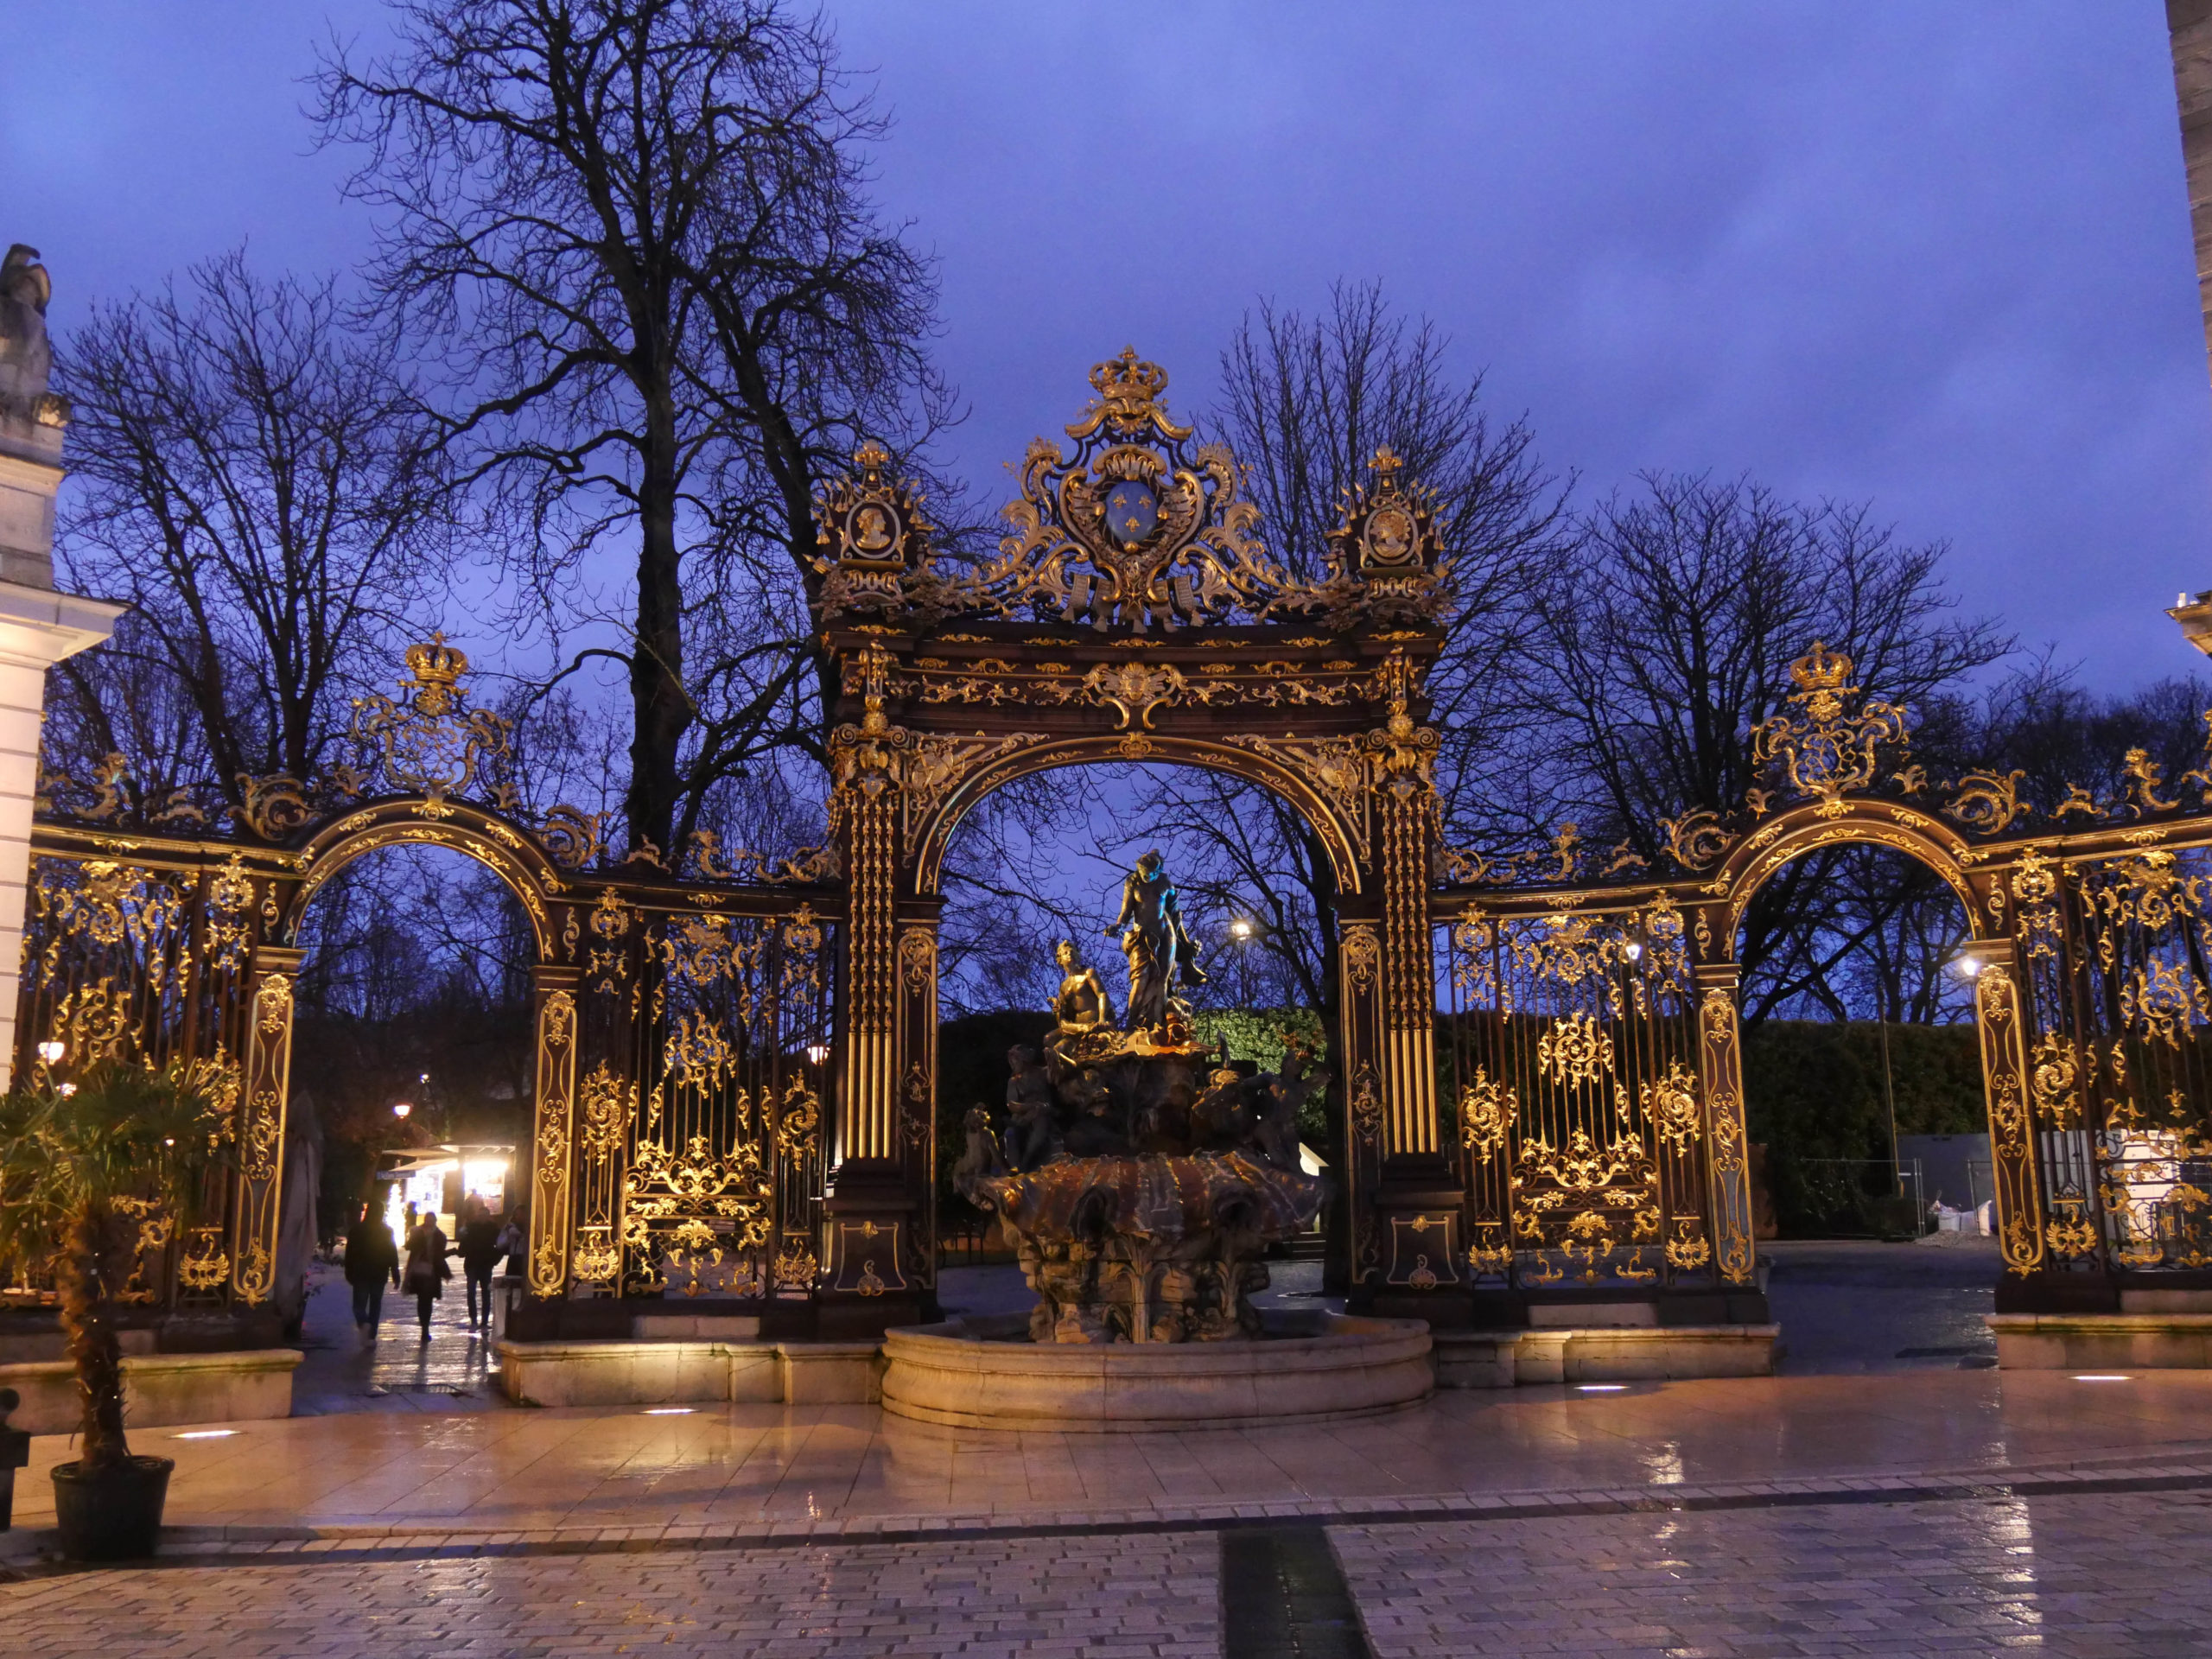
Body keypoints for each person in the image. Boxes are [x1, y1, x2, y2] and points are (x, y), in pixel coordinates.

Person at [343, 1203, 400, 1338]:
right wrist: (395, 1273)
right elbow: (392, 1253)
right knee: (375, 1304)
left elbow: (350, 1253)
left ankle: (364, 1324)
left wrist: (349, 1270)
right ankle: (371, 1334)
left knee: (359, 1306)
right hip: (379, 1273)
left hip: (361, 1273)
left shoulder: (357, 1230)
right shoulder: (386, 1231)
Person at [402, 1211, 451, 1341]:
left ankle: (425, 1328)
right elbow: (408, 1247)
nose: (429, 1222)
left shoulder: (440, 1236)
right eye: (427, 1220)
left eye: (431, 1220)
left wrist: (446, 1269)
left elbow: (440, 1254)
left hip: (432, 1272)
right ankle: (424, 1326)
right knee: (422, 1299)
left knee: (427, 1300)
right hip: (418, 1270)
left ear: (435, 1221)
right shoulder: (417, 1232)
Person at [458, 1198, 503, 1329]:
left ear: (488, 1217)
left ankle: (484, 1321)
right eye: (480, 1215)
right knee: (472, 1292)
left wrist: (494, 1260)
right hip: (472, 1264)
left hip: (485, 1265)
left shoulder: (493, 1229)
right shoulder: (471, 1228)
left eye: (484, 1216)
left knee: (485, 1293)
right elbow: (464, 1244)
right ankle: (474, 1320)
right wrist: (462, 1251)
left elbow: (500, 1246)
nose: (482, 1218)